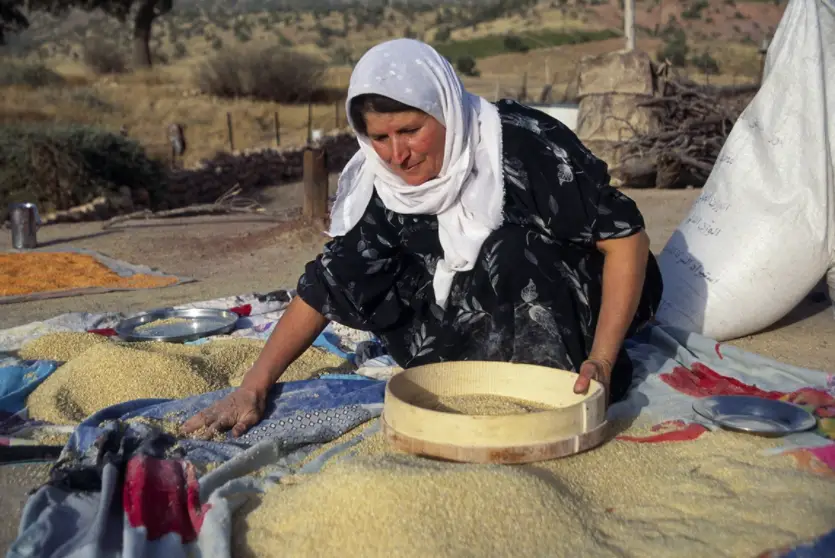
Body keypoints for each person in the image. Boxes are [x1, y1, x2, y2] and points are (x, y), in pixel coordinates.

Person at [182, 38, 662, 438]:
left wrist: (601, 357)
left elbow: (625, 240)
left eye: (411, 131)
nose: (397, 155)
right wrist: (254, 386)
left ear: (445, 109)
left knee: (509, 249)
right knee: (403, 283)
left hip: (575, 294)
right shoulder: (382, 182)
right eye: (379, 137)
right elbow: (332, 282)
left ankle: (552, 382)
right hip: (477, 303)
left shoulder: (521, 146)